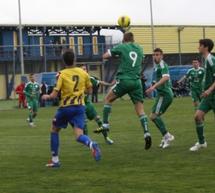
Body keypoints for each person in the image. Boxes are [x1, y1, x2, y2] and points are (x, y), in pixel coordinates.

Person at [42, 49, 101, 168]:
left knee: (54, 130)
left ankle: (55, 160)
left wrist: (46, 96)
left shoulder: (61, 74)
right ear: (74, 59)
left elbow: (54, 95)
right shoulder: (83, 72)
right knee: (79, 135)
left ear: (64, 61)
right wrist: (79, 93)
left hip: (65, 108)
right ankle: (91, 143)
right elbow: (90, 90)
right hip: (80, 107)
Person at [102, 32, 152, 150]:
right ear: (133, 39)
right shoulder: (139, 48)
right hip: (137, 82)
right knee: (140, 110)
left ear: (124, 39)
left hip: (124, 80)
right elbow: (138, 61)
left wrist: (115, 54)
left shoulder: (122, 46)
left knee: (108, 99)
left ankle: (105, 125)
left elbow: (105, 55)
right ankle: (146, 133)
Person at [146, 48, 174, 149]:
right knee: (155, 117)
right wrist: (154, 85)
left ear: (162, 56)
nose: (155, 56)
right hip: (163, 94)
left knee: (153, 116)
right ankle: (165, 136)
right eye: (154, 55)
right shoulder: (158, 66)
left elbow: (166, 77)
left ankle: (167, 136)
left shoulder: (162, 64)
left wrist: (153, 87)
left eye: (157, 54)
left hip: (164, 95)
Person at [190, 39, 215, 151]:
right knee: (197, 116)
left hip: (213, 95)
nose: (198, 47)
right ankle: (201, 142)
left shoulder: (211, 59)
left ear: (205, 47)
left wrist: (209, 90)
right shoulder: (206, 60)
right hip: (207, 96)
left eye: (199, 45)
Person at [81, 65, 114, 145]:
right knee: (84, 123)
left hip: (88, 104)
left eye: (85, 69)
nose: (84, 70)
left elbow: (100, 82)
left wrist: (109, 84)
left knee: (99, 120)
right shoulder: (78, 80)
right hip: (80, 105)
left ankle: (106, 138)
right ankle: (87, 142)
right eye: (82, 69)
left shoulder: (90, 79)